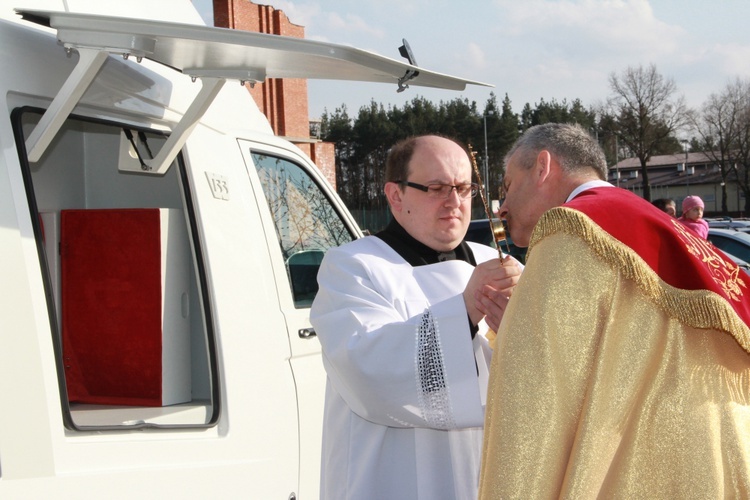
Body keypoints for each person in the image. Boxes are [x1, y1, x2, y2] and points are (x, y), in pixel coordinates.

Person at [478, 123, 750, 498]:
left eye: (507, 185)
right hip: (717, 465)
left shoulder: (569, 230)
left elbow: (537, 390)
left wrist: (517, 332)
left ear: (542, 167)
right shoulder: (666, 227)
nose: (503, 206)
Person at [311, 135, 523, 500]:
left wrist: (519, 332)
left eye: (463, 187)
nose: (454, 202)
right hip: (390, 479)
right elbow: (367, 370)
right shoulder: (354, 266)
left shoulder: (499, 264)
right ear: (396, 195)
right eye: (437, 187)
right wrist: (466, 310)